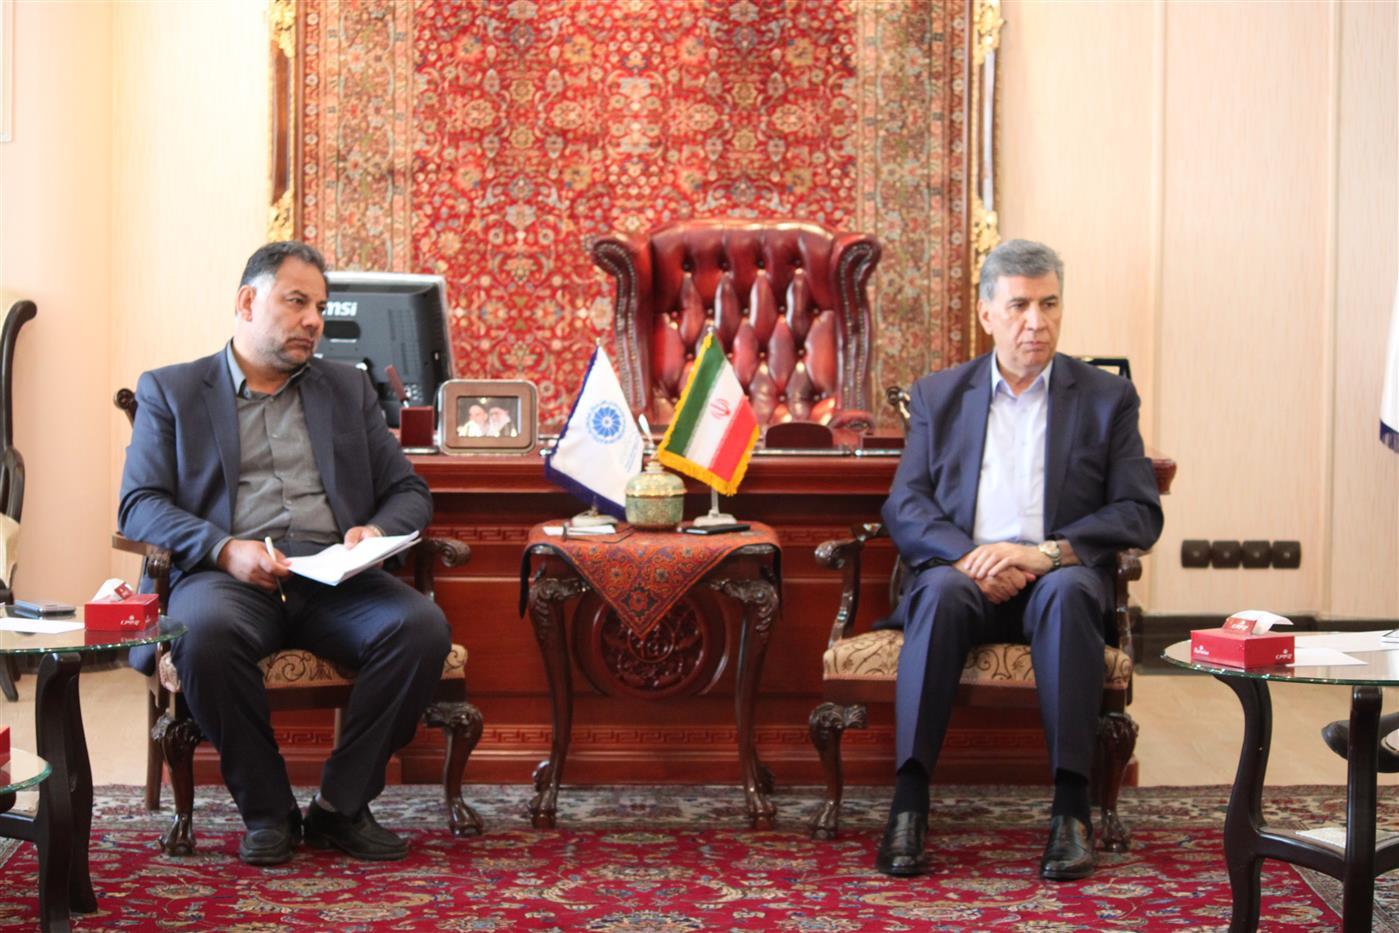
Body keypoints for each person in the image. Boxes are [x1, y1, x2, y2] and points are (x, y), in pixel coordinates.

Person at [119, 241, 451, 867]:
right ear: (248, 302)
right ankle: (268, 811)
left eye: (320, 307)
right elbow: (139, 505)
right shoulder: (173, 390)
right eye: (297, 302)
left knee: (420, 627)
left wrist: (376, 530)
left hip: (333, 576)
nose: (314, 320)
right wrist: (223, 549)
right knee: (202, 634)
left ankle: (340, 807)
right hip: (228, 577)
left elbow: (409, 491)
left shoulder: (346, 389)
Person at [875, 239, 1163, 881]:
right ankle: (909, 806)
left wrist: (1043, 555)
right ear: (987, 314)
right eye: (1020, 306)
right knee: (939, 593)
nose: (1037, 321)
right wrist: (971, 557)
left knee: (1068, 594)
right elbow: (907, 503)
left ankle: (1071, 813)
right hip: (966, 577)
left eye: (1050, 304)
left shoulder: (1106, 398)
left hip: (1055, 578)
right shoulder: (939, 395)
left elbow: (1138, 512)